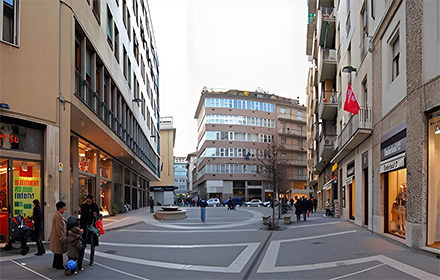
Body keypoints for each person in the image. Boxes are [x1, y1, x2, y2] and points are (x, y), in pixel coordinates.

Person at [79, 194, 99, 266]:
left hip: (93, 226)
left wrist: (95, 216)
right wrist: (81, 227)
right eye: (87, 201)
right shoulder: (84, 206)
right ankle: (81, 258)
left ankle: (91, 260)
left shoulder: (95, 206)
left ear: (92, 200)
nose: (88, 203)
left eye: (89, 201)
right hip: (85, 226)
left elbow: (98, 217)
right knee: (83, 243)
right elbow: (82, 217)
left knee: (92, 244)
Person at [49, 201, 67, 269]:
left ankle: (56, 264)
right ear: (60, 208)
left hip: (56, 236)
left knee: (57, 251)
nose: (64, 210)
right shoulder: (58, 216)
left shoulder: (57, 215)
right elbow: (59, 228)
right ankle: (59, 265)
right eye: (63, 208)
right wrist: (62, 236)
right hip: (58, 237)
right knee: (59, 251)